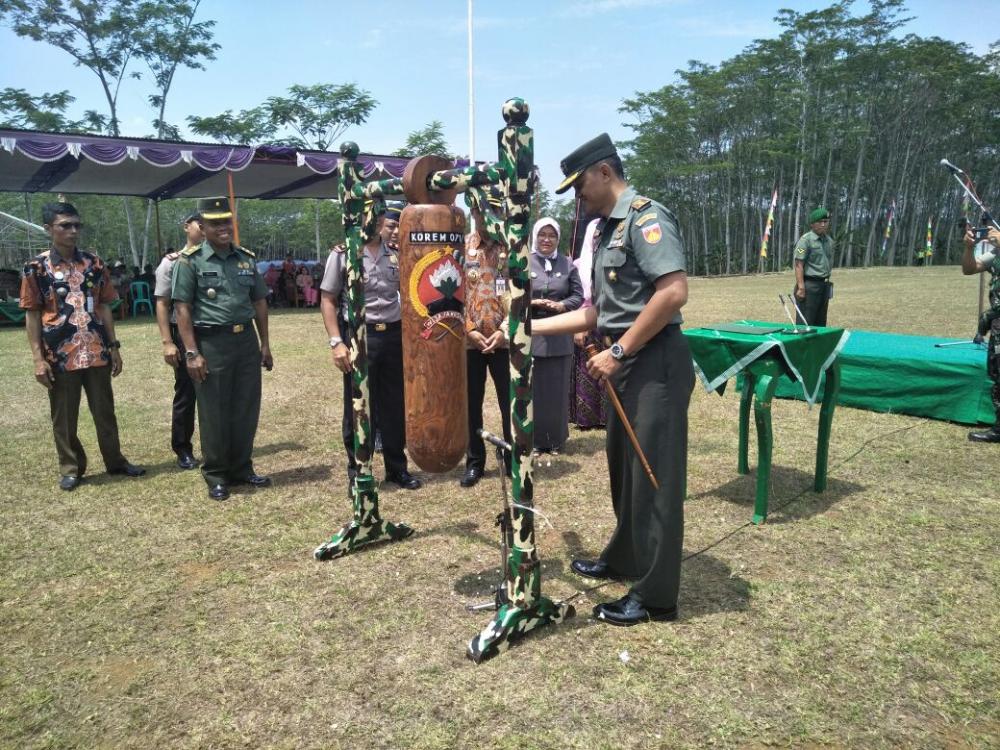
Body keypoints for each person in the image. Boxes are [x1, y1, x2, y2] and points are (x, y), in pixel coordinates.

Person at [534, 133, 693, 626]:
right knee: (624, 472)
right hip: (624, 366)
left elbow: (673, 293)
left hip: (653, 364)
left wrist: (621, 350)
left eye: (579, 185)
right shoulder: (604, 231)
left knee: (655, 479)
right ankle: (625, 558)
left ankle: (656, 596)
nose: (577, 196)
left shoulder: (646, 218)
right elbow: (597, 311)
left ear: (604, 171)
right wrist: (529, 327)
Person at [19, 201, 146, 490]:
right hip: (60, 355)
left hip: (97, 350)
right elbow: (32, 314)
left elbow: (103, 306)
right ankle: (71, 467)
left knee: (105, 411)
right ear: (48, 228)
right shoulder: (36, 268)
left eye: (77, 225)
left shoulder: (94, 263)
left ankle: (115, 461)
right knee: (64, 416)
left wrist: (113, 346)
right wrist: (38, 360)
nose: (73, 231)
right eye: (65, 225)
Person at [171, 197, 273, 501]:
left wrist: (264, 343)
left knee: (245, 407)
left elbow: (259, 302)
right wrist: (191, 352)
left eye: (227, 221)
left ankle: (242, 466)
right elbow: (182, 309)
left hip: (245, 342)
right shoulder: (189, 262)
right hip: (212, 343)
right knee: (214, 410)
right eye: (215, 223)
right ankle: (216, 473)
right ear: (202, 227)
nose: (223, 228)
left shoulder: (245, 258)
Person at [319, 206, 422, 491]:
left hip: (392, 335)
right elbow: (328, 299)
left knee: (393, 406)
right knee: (357, 406)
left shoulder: (395, 254)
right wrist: (336, 342)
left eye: (380, 220)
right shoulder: (344, 253)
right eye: (372, 219)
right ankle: (358, 472)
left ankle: (396, 469)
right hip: (358, 337)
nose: (377, 225)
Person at [460, 194, 512, 487]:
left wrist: (504, 330)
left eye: (495, 209)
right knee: (472, 404)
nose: (488, 216)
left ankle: (511, 456)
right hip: (472, 342)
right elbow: (452, 294)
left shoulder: (511, 248)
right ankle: (475, 462)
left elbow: (520, 294)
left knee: (509, 402)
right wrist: (469, 329)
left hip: (504, 341)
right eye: (483, 211)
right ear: (474, 212)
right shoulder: (462, 249)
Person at [530, 217, 583, 455]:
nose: (547, 240)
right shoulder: (524, 262)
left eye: (552, 236)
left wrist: (562, 306)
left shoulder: (567, 264)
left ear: (557, 239)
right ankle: (533, 439)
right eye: (543, 235)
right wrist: (531, 302)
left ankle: (556, 440)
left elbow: (578, 296)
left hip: (560, 335)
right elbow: (512, 293)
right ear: (535, 236)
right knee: (533, 390)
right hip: (532, 336)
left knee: (557, 391)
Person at [153, 213, 202, 470]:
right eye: (201, 225)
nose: (206, 230)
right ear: (187, 227)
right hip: (183, 333)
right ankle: (182, 447)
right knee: (186, 391)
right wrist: (167, 342)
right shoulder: (171, 263)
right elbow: (162, 304)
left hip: (212, 331)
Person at [962, 225, 1000, 442]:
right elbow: (969, 268)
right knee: (998, 374)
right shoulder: (995, 252)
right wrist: (969, 248)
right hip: (997, 326)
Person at [570, 218, 608, 429]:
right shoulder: (579, 265)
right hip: (587, 320)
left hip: (611, 321)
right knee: (587, 369)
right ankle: (587, 418)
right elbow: (580, 294)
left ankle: (608, 417)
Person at [793, 208, 834, 326]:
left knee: (820, 322)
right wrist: (801, 287)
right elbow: (798, 264)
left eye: (826, 221)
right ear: (812, 224)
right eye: (820, 221)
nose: (823, 224)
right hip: (809, 286)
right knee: (806, 322)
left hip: (824, 284)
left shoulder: (829, 241)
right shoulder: (805, 240)